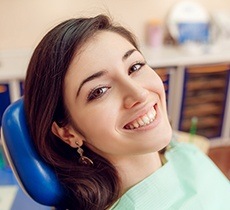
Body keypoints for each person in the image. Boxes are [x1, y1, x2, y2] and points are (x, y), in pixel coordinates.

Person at [24, 14, 230, 210]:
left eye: (135, 67)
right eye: (99, 91)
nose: (139, 93)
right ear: (68, 133)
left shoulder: (181, 151)